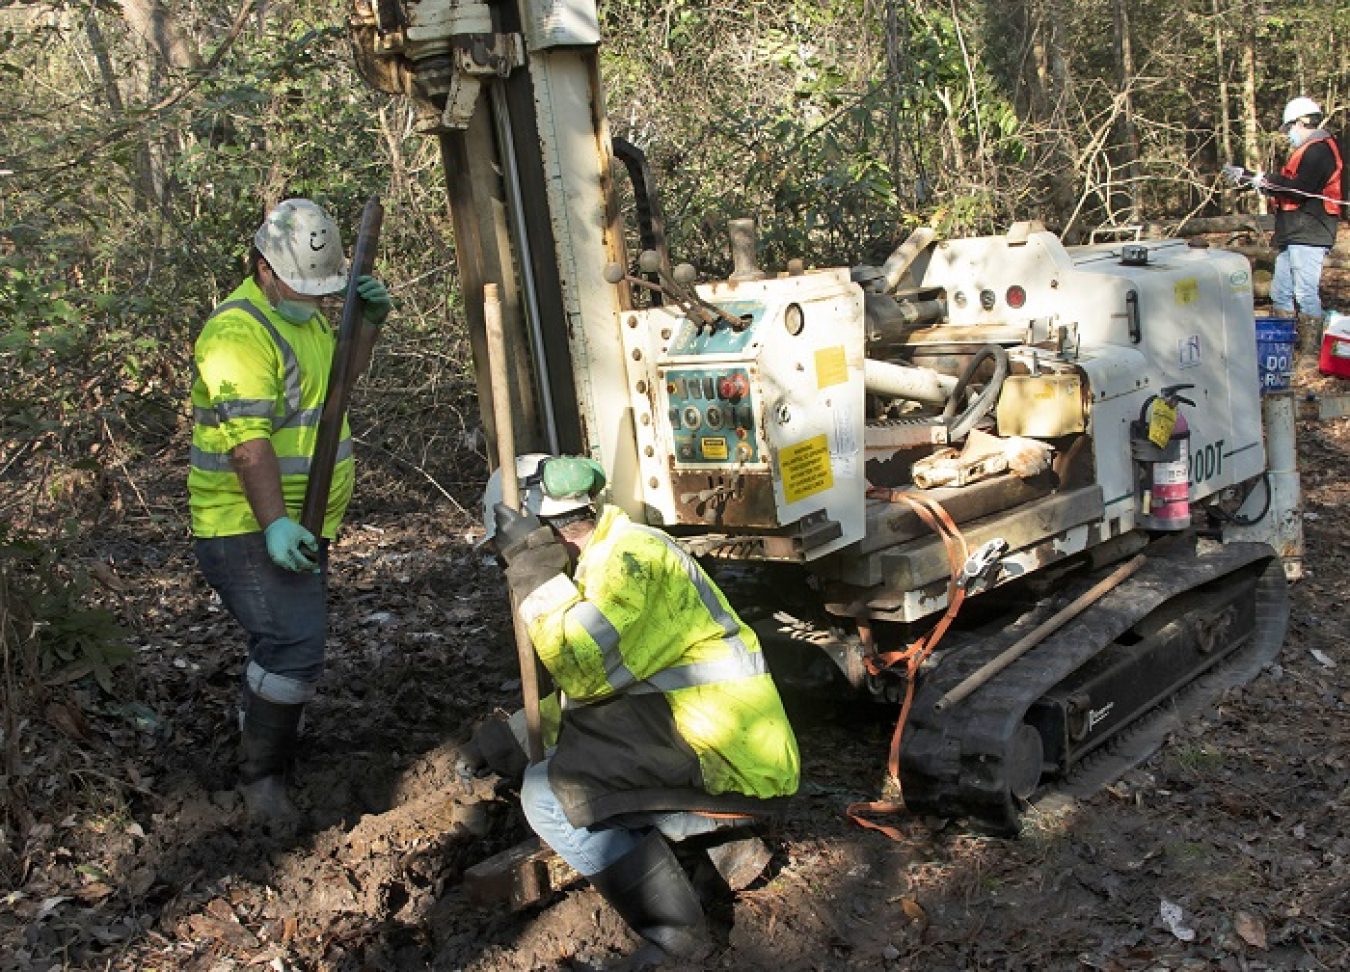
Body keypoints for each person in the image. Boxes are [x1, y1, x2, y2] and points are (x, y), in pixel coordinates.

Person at [484, 454, 800, 968]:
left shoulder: (630, 563)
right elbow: (594, 696)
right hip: (698, 733)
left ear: (542, 534)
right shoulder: (608, 555)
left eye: (507, 556)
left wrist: (535, 574)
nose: (507, 570)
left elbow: (580, 667)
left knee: (546, 797)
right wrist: (515, 736)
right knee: (555, 762)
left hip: (728, 757)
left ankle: (675, 936)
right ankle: (697, 861)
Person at [189, 198, 391, 830]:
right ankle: (262, 779)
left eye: (321, 291)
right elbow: (249, 443)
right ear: (263, 268)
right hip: (246, 525)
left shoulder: (302, 319)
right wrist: (276, 522)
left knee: (278, 643)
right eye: (301, 286)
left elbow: (339, 386)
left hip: (300, 522)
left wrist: (366, 326)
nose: (311, 298)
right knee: (294, 647)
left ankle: (262, 735)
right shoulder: (237, 333)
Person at [1224, 97, 1344, 370]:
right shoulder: (1306, 151)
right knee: (1281, 292)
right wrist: (1250, 177)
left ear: (1302, 122)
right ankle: (1281, 348)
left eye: (1289, 127)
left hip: (1311, 231)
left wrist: (1263, 178)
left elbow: (1300, 187)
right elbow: (1285, 187)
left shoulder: (1319, 151)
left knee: (1305, 293)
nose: (1288, 134)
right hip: (1293, 231)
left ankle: (1311, 353)